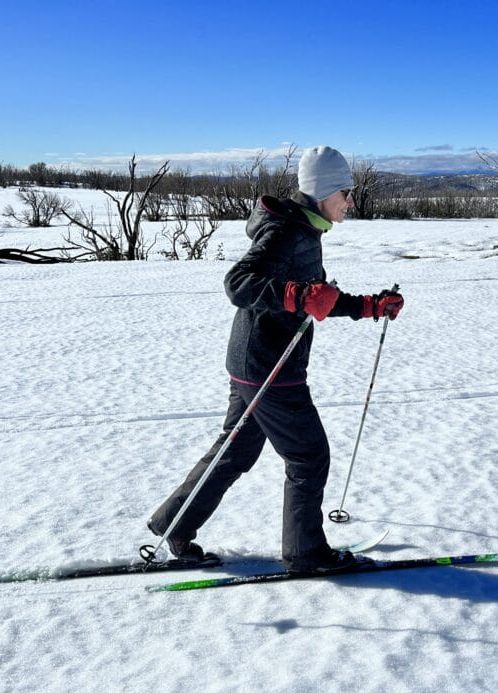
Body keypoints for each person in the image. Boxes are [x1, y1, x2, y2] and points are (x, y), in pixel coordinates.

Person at [146, 146, 404, 573]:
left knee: (236, 451)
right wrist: (295, 295)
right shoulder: (288, 233)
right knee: (308, 456)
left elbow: (316, 301)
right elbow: (239, 283)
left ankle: (174, 524)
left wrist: (370, 306)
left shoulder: (305, 228)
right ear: (323, 191)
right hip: (272, 368)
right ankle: (307, 555)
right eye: (345, 192)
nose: (351, 201)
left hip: (252, 362)